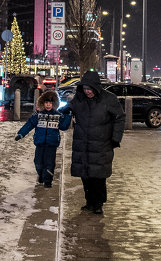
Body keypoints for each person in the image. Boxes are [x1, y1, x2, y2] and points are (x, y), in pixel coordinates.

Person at [62, 70, 124, 215]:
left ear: (96, 87)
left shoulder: (109, 99)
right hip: (82, 144)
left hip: (101, 144)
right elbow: (66, 109)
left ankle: (98, 203)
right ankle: (89, 202)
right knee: (85, 176)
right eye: (85, 89)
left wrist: (115, 138)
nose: (87, 91)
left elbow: (120, 118)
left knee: (98, 177)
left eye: (90, 89)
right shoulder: (79, 99)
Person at [15, 90, 71, 188]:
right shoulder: (38, 115)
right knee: (38, 162)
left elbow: (64, 126)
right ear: (43, 103)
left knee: (49, 163)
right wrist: (21, 134)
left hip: (51, 144)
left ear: (54, 104)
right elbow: (29, 124)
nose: (48, 105)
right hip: (40, 143)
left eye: (50, 103)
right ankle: (41, 174)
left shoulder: (58, 115)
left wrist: (68, 115)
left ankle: (48, 181)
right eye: (46, 103)